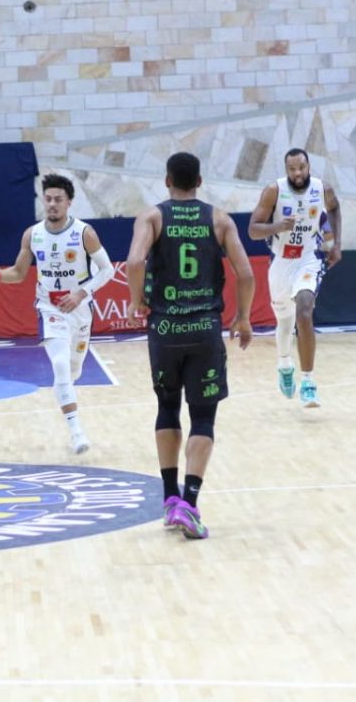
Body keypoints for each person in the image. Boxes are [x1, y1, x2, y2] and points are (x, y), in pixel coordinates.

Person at [126, 152, 254, 540]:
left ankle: (170, 499)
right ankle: (190, 503)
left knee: (167, 407)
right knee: (203, 418)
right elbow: (246, 273)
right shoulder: (220, 220)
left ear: (167, 181)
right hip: (204, 329)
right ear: (199, 182)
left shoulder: (152, 217)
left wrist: (136, 300)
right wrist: (243, 317)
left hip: (165, 328)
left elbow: (135, 262)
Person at [0, 174, 116, 454]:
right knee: (61, 364)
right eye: (48, 198)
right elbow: (18, 273)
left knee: (74, 369)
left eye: (58, 199)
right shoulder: (32, 234)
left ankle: (65, 392)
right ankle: (77, 432)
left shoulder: (84, 233)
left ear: (69, 202)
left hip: (80, 309)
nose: (52, 204)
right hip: (49, 308)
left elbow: (107, 270)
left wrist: (80, 294)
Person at [247, 148, 341, 408]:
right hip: (281, 262)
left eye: (301, 167)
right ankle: (284, 364)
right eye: (292, 169)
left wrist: (336, 244)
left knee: (304, 311)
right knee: (285, 322)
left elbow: (334, 209)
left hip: (309, 258)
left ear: (308, 166)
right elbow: (253, 230)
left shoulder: (322, 189)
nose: (297, 173)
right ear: (286, 169)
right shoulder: (273, 191)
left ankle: (308, 382)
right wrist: (277, 226)